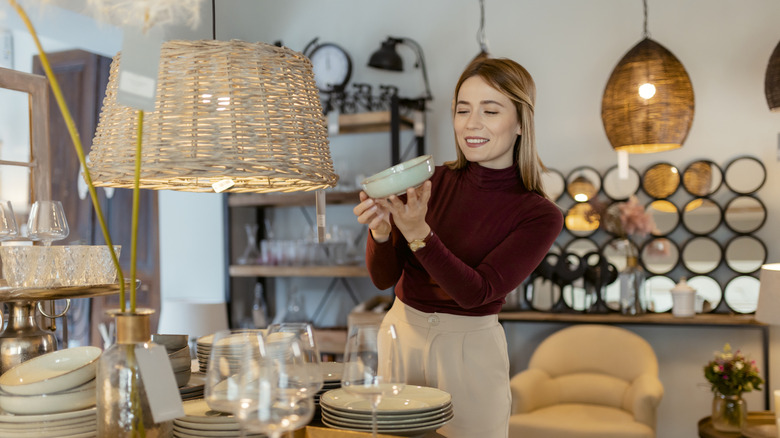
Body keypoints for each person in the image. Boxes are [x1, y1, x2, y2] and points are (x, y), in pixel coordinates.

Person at [352, 56, 563, 438]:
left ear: (520, 123)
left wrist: (419, 233)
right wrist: (381, 234)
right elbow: (384, 279)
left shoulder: (539, 214)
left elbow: (476, 293)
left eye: (490, 110)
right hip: (402, 336)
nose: (472, 123)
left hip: (470, 353)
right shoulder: (429, 182)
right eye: (463, 110)